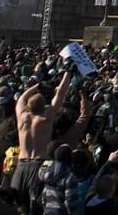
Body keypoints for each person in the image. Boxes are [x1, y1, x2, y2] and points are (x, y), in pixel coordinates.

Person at [12, 71, 72, 208]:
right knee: (36, 205)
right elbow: (61, 93)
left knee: (17, 205)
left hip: (21, 164)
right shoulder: (47, 117)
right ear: (44, 106)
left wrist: (37, 86)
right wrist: (67, 74)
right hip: (41, 164)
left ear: (28, 106)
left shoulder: (21, 116)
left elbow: (21, 98)